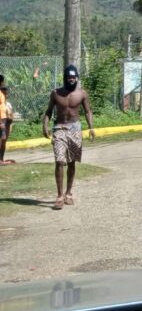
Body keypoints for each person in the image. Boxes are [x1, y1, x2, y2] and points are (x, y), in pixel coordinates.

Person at [42, 65, 95, 210]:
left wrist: (91, 127)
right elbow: (48, 111)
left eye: (74, 77)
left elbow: (88, 111)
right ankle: (59, 196)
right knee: (59, 161)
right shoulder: (56, 93)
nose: (71, 79)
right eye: (69, 77)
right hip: (59, 128)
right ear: (65, 78)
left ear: (77, 78)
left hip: (75, 129)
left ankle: (68, 193)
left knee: (71, 162)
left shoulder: (82, 94)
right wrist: (45, 126)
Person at [1, 85, 14, 165]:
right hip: (2, 125)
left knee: (3, 143)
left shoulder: (8, 105)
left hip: (7, 125)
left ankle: (1, 159)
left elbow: (11, 116)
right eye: (4, 93)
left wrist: (10, 124)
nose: (6, 95)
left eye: (6, 94)